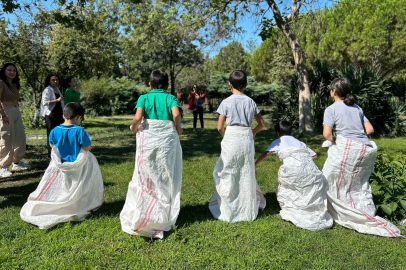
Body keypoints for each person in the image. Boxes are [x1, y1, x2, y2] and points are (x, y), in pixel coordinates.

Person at [322, 78, 401, 237]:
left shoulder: (331, 109)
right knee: (357, 183)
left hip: (349, 149)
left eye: (331, 89)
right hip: (366, 150)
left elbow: (327, 134)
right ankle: (358, 207)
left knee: (327, 178)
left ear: (334, 92)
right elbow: (370, 129)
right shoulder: (357, 107)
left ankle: (335, 210)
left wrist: (335, 141)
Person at [120, 70, 183, 239]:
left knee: (146, 173)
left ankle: (146, 209)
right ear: (167, 86)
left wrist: (134, 128)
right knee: (165, 172)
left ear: (150, 84)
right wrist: (178, 128)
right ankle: (163, 210)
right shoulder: (171, 98)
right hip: (166, 141)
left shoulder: (144, 98)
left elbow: (137, 117)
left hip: (149, 139)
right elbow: (176, 114)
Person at [20, 102, 104, 229]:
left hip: (61, 164)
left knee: (64, 184)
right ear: (79, 118)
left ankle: (61, 200)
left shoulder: (54, 131)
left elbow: (53, 146)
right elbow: (87, 147)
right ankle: (78, 203)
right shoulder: (80, 131)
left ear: (64, 116)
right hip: (78, 165)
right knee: (79, 184)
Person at [209, 70, 266, 223]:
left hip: (232, 136)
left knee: (227, 170)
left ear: (229, 85)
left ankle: (229, 206)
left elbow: (220, 127)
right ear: (246, 85)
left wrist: (226, 136)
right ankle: (246, 207)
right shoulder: (250, 102)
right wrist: (253, 132)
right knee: (246, 171)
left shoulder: (226, 102)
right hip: (246, 137)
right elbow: (262, 124)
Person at [255, 120, 333, 231]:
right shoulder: (299, 142)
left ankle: (292, 209)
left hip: (293, 169)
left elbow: (266, 153)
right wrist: (302, 160)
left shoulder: (278, 141)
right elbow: (314, 155)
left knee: (289, 188)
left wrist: (255, 164)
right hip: (310, 170)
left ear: (278, 133)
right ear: (291, 132)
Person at [0, 63, 30, 177]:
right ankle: (3, 166)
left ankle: (16, 162)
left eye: (14, 70)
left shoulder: (13, 84)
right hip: (5, 112)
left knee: (20, 137)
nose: (12, 72)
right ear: (4, 71)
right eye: (9, 70)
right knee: (6, 139)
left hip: (15, 110)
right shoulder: (1, 82)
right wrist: (3, 115)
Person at [40, 74, 64, 158]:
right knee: (51, 133)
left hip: (59, 114)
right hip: (51, 114)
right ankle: (51, 154)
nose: (55, 81)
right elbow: (45, 102)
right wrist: (57, 100)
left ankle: (59, 152)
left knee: (59, 133)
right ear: (49, 81)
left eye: (57, 79)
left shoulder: (57, 89)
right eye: (53, 80)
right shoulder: (47, 90)